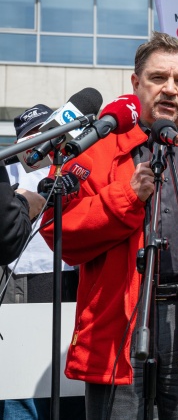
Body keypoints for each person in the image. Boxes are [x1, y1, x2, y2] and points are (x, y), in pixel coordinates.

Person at [40, 32, 178, 420]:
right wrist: (126, 198)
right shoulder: (97, 146)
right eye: (158, 78)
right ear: (135, 83)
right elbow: (61, 235)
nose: (170, 90)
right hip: (119, 324)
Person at [0, 104, 85, 420]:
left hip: (70, 278)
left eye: (47, 131)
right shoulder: (9, 169)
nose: (42, 141)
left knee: (69, 377)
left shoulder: (78, 160)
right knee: (21, 383)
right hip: (21, 280)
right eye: (32, 135)